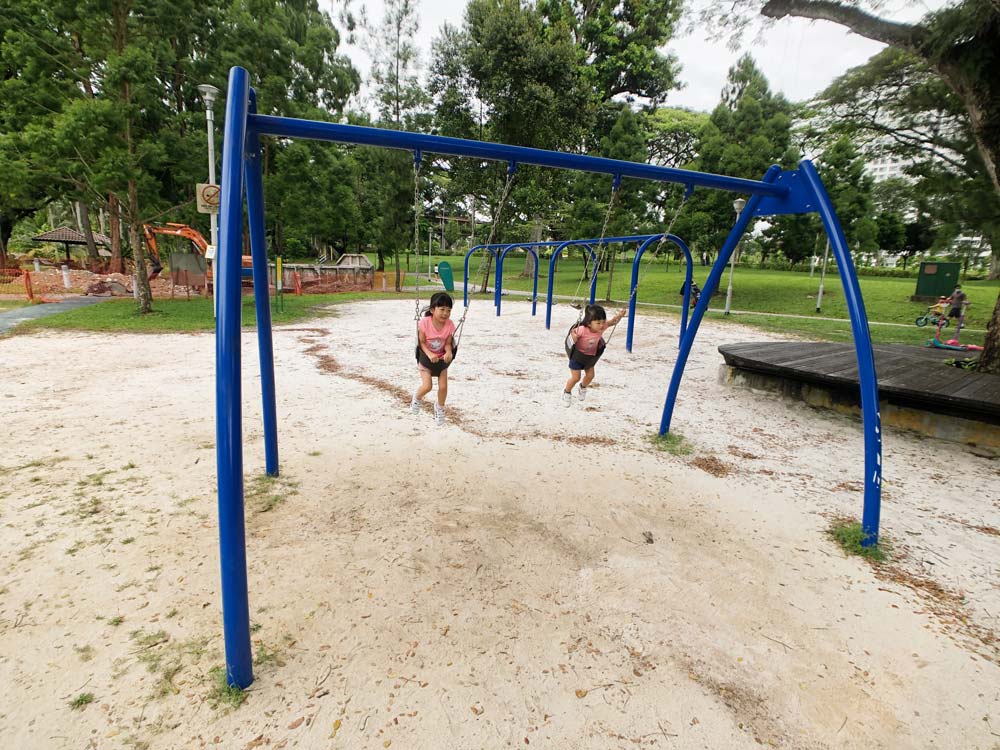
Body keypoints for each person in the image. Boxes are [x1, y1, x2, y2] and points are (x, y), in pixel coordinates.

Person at [562, 304, 626, 407]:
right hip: (577, 357)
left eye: (603, 322)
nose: (602, 325)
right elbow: (573, 332)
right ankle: (567, 392)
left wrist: (620, 315)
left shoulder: (601, 328)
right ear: (589, 323)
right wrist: (574, 336)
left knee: (590, 376)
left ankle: (582, 387)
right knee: (576, 377)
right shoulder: (582, 329)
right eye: (598, 323)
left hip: (590, 357)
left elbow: (613, 321)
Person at [411, 292, 455, 425]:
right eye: (442, 309)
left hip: (441, 361)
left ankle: (440, 408)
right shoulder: (424, 323)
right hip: (426, 360)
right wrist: (430, 354)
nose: (445, 313)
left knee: (443, 387)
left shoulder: (449, 325)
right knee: (427, 386)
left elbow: (448, 343)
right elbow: (422, 343)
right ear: (432, 310)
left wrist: (449, 352)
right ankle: (417, 398)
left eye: (448, 310)